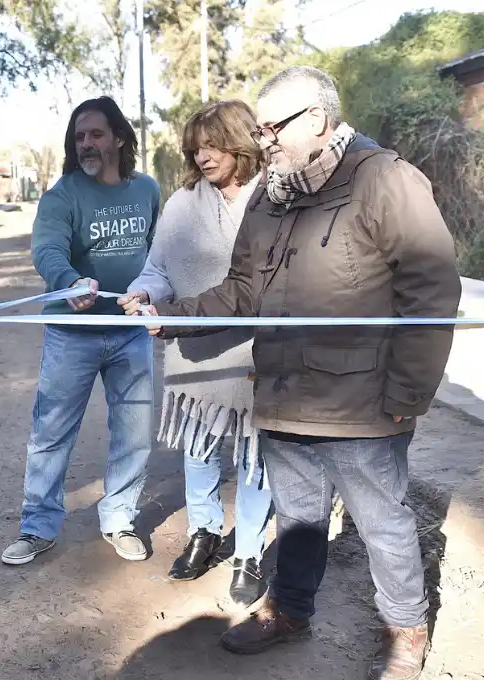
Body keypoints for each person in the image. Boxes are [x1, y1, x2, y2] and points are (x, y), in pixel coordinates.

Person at [143, 66, 461, 680]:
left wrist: (408, 393)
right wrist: (171, 316)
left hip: (364, 404)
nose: (264, 142)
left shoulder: (386, 181)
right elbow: (242, 291)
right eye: (260, 130)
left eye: (273, 128)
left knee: (382, 521)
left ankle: (405, 629)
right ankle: (290, 611)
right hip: (285, 393)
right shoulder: (272, 195)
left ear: (316, 119)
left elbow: (431, 291)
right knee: (299, 518)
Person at [121, 100, 273, 608]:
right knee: (198, 446)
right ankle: (204, 533)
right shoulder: (182, 203)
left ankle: (248, 552)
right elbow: (158, 268)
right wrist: (143, 293)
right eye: (196, 148)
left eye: (213, 144)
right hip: (195, 349)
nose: (203, 157)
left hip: (259, 351)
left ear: (240, 141)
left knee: (256, 454)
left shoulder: (272, 197)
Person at [1, 96, 162, 566]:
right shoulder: (62, 195)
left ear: (118, 138)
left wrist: (152, 294)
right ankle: (37, 526)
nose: (86, 144)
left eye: (95, 134)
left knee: (133, 432)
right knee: (51, 433)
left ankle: (119, 519)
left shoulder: (147, 190)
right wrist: (68, 281)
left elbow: (156, 254)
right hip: (72, 333)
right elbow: (47, 250)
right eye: (79, 137)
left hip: (130, 333)